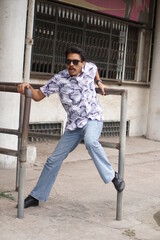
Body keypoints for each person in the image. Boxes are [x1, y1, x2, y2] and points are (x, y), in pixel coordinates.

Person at [17, 46, 125, 208]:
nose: (71, 65)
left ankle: (113, 176)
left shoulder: (89, 68)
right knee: (53, 160)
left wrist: (99, 82)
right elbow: (38, 96)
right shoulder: (59, 79)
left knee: (90, 141)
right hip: (74, 125)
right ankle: (36, 196)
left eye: (75, 62)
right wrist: (27, 88)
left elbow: (95, 69)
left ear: (83, 63)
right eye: (68, 62)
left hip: (93, 118)